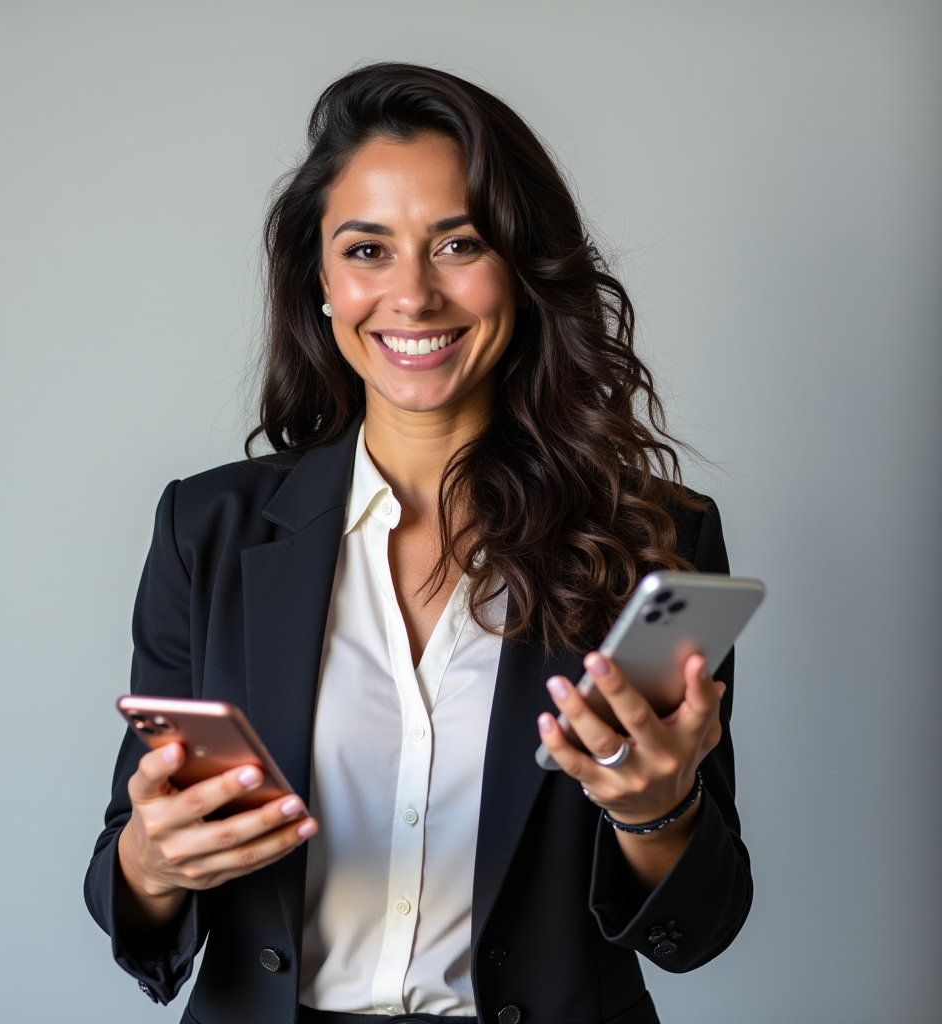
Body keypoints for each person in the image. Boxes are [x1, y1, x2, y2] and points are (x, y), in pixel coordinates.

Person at [85, 63, 752, 1024]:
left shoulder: (651, 542)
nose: (412, 294)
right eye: (367, 249)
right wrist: (154, 858)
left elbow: (700, 926)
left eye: (458, 243)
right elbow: (128, 897)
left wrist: (655, 807)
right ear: (319, 281)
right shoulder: (209, 530)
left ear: (521, 270)